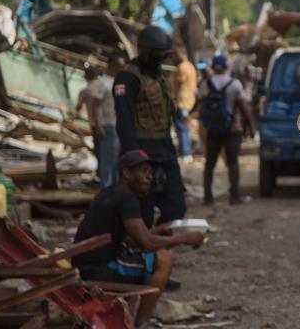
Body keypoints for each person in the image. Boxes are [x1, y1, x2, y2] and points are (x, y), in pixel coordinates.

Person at [72, 150, 205, 328]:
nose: (149, 177)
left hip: (87, 265)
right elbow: (146, 243)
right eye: (143, 171)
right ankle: (141, 322)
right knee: (163, 259)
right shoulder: (126, 199)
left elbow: (131, 239)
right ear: (127, 173)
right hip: (100, 269)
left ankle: (129, 318)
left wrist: (161, 229)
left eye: (150, 172)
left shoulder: (110, 193)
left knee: (140, 257)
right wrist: (185, 238)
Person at [114, 26, 187, 225]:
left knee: (176, 206)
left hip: (164, 148)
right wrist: (134, 160)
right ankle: (145, 250)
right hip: (141, 150)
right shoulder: (127, 78)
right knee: (143, 210)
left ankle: (159, 245)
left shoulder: (158, 75)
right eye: (158, 55)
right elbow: (124, 120)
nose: (161, 59)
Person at [197, 55, 250, 205]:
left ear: (212, 67)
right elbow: (243, 107)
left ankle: (208, 198)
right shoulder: (235, 84)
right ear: (227, 67)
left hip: (212, 130)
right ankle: (234, 196)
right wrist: (251, 126)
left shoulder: (205, 84)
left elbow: (200, 103)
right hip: (232, 130)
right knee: (233, 162)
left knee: (209, 164)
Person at [89, 54, 126, 187]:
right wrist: (98, 127)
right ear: (112, 65)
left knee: (117, 162)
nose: (122, 68)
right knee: (108, 162)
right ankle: (106, 189)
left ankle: (115, 190)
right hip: (108, 126)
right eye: (119, 66)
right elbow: (95, 106)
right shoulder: (102, 83)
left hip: (119, 125)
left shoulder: (120, 83)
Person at [170, 48, 197, 162]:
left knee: (182, 127)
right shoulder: (190, 66)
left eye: (176, 55)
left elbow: (180, 84)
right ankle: (186, 152)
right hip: (189, 101)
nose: (174, 58)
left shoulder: (182, 67)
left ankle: (185, 153)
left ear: (182, 54)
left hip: (182, 101)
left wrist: (175, 100)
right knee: (184, 127)